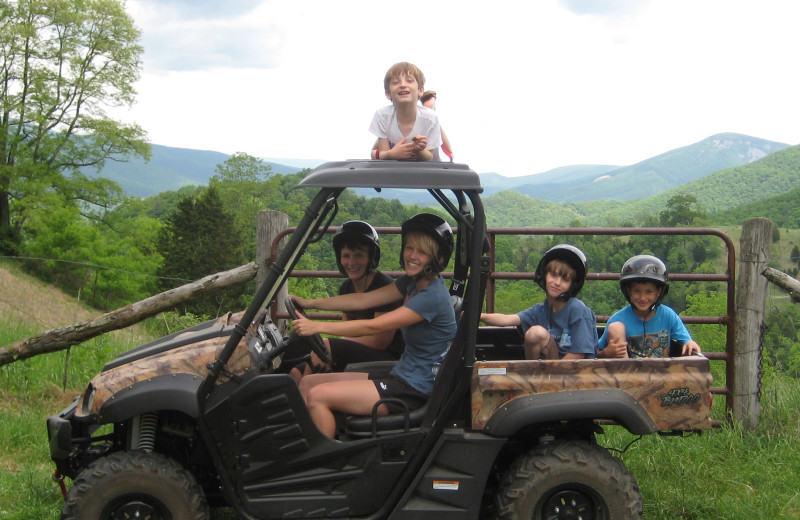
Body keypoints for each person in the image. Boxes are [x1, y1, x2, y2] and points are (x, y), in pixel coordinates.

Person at [290, 214, 457, 438]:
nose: (412, 256)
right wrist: (310, 303)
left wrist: (317, 326)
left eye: (422, 252)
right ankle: (307, 442)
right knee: (308, 383)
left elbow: (373, 326)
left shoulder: (432, 296)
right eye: (409, 248)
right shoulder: (412, 282)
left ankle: (324, 462)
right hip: (402, 375)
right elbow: (362, 300)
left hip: (414, 389)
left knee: (319, 395)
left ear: (437, 258)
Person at [289, 221, 403, 381]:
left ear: (371, 257)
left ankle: (307, 399)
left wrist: (332, 344)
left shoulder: (384, 287)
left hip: (385, 358)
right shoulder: (346, 287)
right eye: (346, 256)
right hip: (358, 350)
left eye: (359, 255)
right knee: (295, 372)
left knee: (326, 350)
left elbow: (380, 342)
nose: (351, 263)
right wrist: (308, 303)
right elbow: (346, 328)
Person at [480, 244, 597, 360]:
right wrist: (478, 316)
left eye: (565, 279)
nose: (557, 282)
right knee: (534, 334)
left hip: (576, 373)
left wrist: (553, 375)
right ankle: (535, 375)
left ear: (573, 285)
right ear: (544, 275)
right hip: (551, 373)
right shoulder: (541, 310)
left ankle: (538, 377)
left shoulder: (578, 310)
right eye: (553, 275)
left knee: (536, 333)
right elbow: (507, 319)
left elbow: (579, 355)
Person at [598, 254, 702, 358]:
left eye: (649, 292)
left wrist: (689, 343)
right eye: (637, 291)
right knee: (616, 327)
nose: (643, 297)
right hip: (631, 372)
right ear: (628, 291)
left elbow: (686, 339)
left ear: (659, 292)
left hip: (662, 372)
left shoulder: (668, 315)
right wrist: (606, 353)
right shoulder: (618, 319)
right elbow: (597, 351)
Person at [369, 62, 442, 162]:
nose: (403, 85)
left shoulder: (430, 118)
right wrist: (391, 154)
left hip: (426, 172)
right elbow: (384, 160)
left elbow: (430, 157)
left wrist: (419, 150)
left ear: (420, 90)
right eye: (395, 82)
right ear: (388, 94)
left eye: (409, 81)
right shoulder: (382, 116)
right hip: (394, 169)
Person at [420, 90, 454, 162]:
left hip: (434, 164)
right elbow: (449, 151)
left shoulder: (434, 123)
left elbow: (449, 152)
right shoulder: (422, 121)